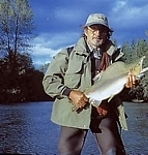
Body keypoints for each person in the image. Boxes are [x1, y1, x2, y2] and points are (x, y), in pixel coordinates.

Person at [42, 13, 136, 155]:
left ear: (107, 34)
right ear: (85, 31)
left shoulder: (116, 58)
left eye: (102, 30)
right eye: (93, 29)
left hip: (104, 114)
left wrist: (128, 86)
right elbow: (49, 82)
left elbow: (120, 93)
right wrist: (70, 93)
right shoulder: (67, 54)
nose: (97, 34)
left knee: (114, 152)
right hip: (73, 114)